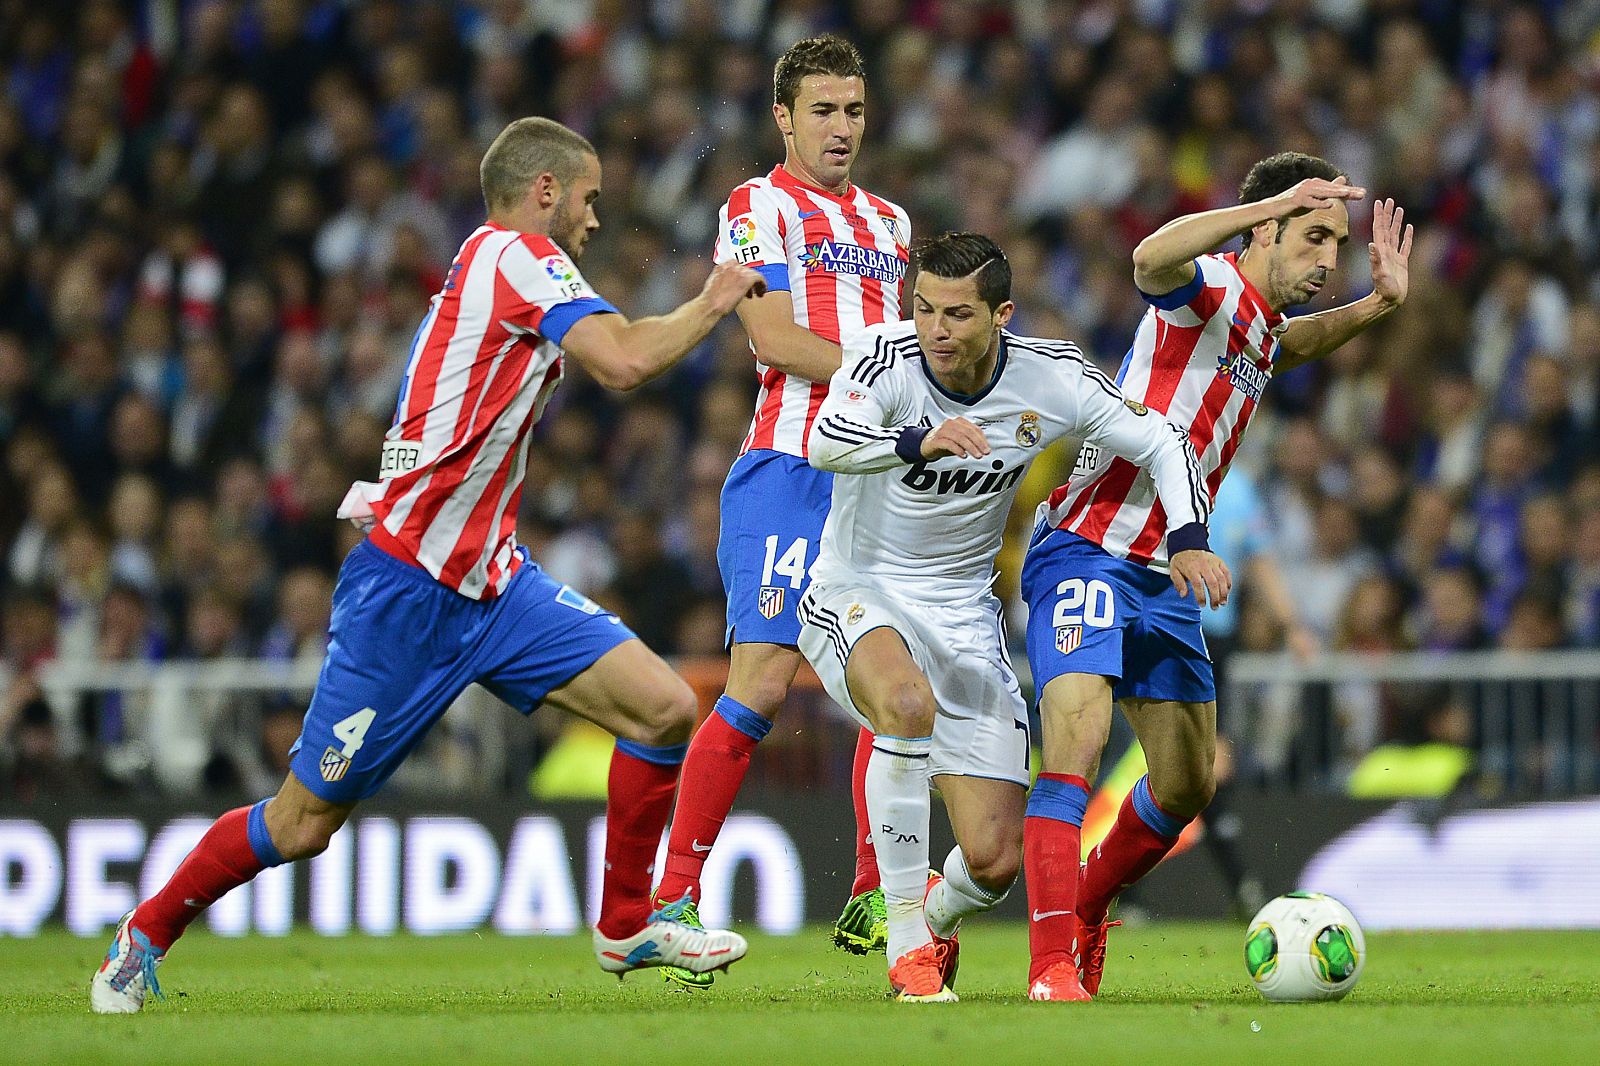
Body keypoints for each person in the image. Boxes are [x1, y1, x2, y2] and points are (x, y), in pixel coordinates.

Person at [90, 116, 766, 1014]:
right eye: (591, 199)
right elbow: (627, 360)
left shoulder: (499, 267)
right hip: (407, 591)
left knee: (663, 708)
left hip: (495, 582)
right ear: (546, 192)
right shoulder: (516, 255)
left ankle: (625, 926)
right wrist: (716, 300)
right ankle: (141, 938)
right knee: (300, 826)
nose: (598, 220)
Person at [796, 232, 1227, 1003]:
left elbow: (1163, 437)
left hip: (965, 613)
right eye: (923, 308)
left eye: (957, 315)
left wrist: (1189, 537)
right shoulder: (882, 358)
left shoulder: (1049, 376)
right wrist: (915, 441)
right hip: (861, 586)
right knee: (903, 706)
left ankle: (932, 916)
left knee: (994, 860)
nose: (935, 329)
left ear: (1002, 315)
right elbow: (827, 441)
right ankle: (903, 943)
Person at [1020, 152, 1411, 999]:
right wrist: (1258, 209)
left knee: (1188, 782)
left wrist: (1377, 303)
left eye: (1336, 244)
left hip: (1167, 573)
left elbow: (1287, 347)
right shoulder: (1208, 288)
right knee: (1077, 748)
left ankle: (1083, 909)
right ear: (1264, 228)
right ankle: (1051, 961)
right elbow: (1147, 261)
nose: (1327, 259)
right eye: (1313, 236)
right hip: (1090, 546)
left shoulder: (1259, 326)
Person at [651, 35, 913, 987]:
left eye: (853, 110)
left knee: (895, 687)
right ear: (784, 118)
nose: (841, 127)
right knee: (760, 680)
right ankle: (674, 900)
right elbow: (767, 333)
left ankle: (876, 890)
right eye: (823, 111)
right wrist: (895, 381)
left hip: (876, 481)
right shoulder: (754, 208)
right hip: (790, 468)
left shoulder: (891, 223)